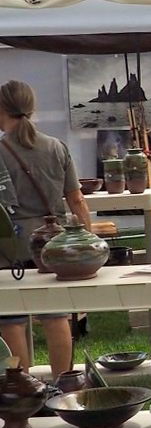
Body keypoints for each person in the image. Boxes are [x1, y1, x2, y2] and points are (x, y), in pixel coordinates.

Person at [0, 81, 92, 375]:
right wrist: (87, 242)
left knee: (11, 320)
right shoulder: (56, 146)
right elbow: (76, 200)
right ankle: (63, 387)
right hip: (54, 244)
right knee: (56, 318)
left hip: (9, 244)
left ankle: (22, 390)